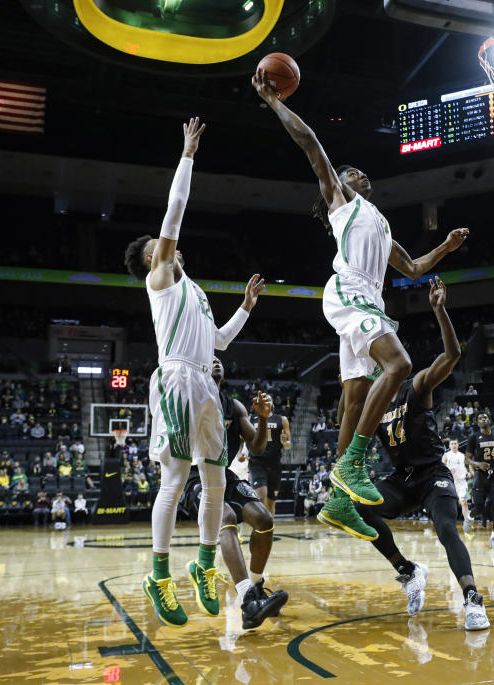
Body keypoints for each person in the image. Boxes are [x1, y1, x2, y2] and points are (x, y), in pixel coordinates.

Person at [253, 71, 468, 539]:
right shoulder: (341, 203)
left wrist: (446, 249)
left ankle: (338, 502)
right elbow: (310, 142)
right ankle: (352, 466)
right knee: (401, 364)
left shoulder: (380, 222)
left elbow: (412, 268)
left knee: (352, 402)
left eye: (359, 173)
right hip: (349, 292)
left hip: (368, 299)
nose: (359, 174)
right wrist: (273, 102)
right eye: (351, 172)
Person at [124, 118, 264, 628]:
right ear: (152, 260)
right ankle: (158, 576)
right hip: (177, 381)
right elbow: (175, 211)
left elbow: (220, 341)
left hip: (205, 382)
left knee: (216, 483)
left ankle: (203, 565)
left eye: (170, 248)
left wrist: (246, 308)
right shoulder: (160, 280)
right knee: (175, 476)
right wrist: (187, 154)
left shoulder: (197, 293)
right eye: (160, 248)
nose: (172, 250)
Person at [348, 277, 489, 630]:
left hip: (431, 476)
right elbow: (343, 420)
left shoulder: (416, 384)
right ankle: (408, 571)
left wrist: (439, 310)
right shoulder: (370, 402)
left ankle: (472, 599)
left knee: (446, 528)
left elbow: (453, 355)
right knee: (356, 508)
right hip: (401, 481)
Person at [181, 357, 289, 630]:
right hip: (193, 475)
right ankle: (247, 601)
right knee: (226, 517)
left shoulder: (235, 406)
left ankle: (255, 585)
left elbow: (258, 448)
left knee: (264, 519)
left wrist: (263, 420)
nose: (215, 361)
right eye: (209, 359)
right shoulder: (192, 398)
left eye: (219, 359)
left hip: (224, 474)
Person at [243, 393, 290, 517]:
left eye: (268, 398)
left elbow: (288, 445)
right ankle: (261, 528)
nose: (265, 400)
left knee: (271, 503)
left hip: (274, 464)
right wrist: (243, 453)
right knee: (260, 497)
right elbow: (244, 439)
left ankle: (269, 530)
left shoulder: (282, 420)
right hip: (257, 463)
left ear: (272, 403)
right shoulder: (250, 419)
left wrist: (285, 442)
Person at [466, 412, 494, 549]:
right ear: (477, 422)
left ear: (489, 420)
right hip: (481, 475)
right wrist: (478, 464)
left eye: (485, 417)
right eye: (480, 418)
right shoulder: (473, 437)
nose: (483, 419)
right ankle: (470, 517)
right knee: (478, 508)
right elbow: (467, 459)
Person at [442, 438, 471, 530]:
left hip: (462, 482)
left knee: (464, 502)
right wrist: (448, 470)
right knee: (448, 503)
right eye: (452, 443)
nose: (454, 445)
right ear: (449, 445)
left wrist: (467, 473)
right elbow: (441, 467)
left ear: (458, 445)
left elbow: (464, 467)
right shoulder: (446, 455)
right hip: (451, 482)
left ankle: (467, 523)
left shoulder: (462, 455)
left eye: (455, 443)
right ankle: (445, 522)